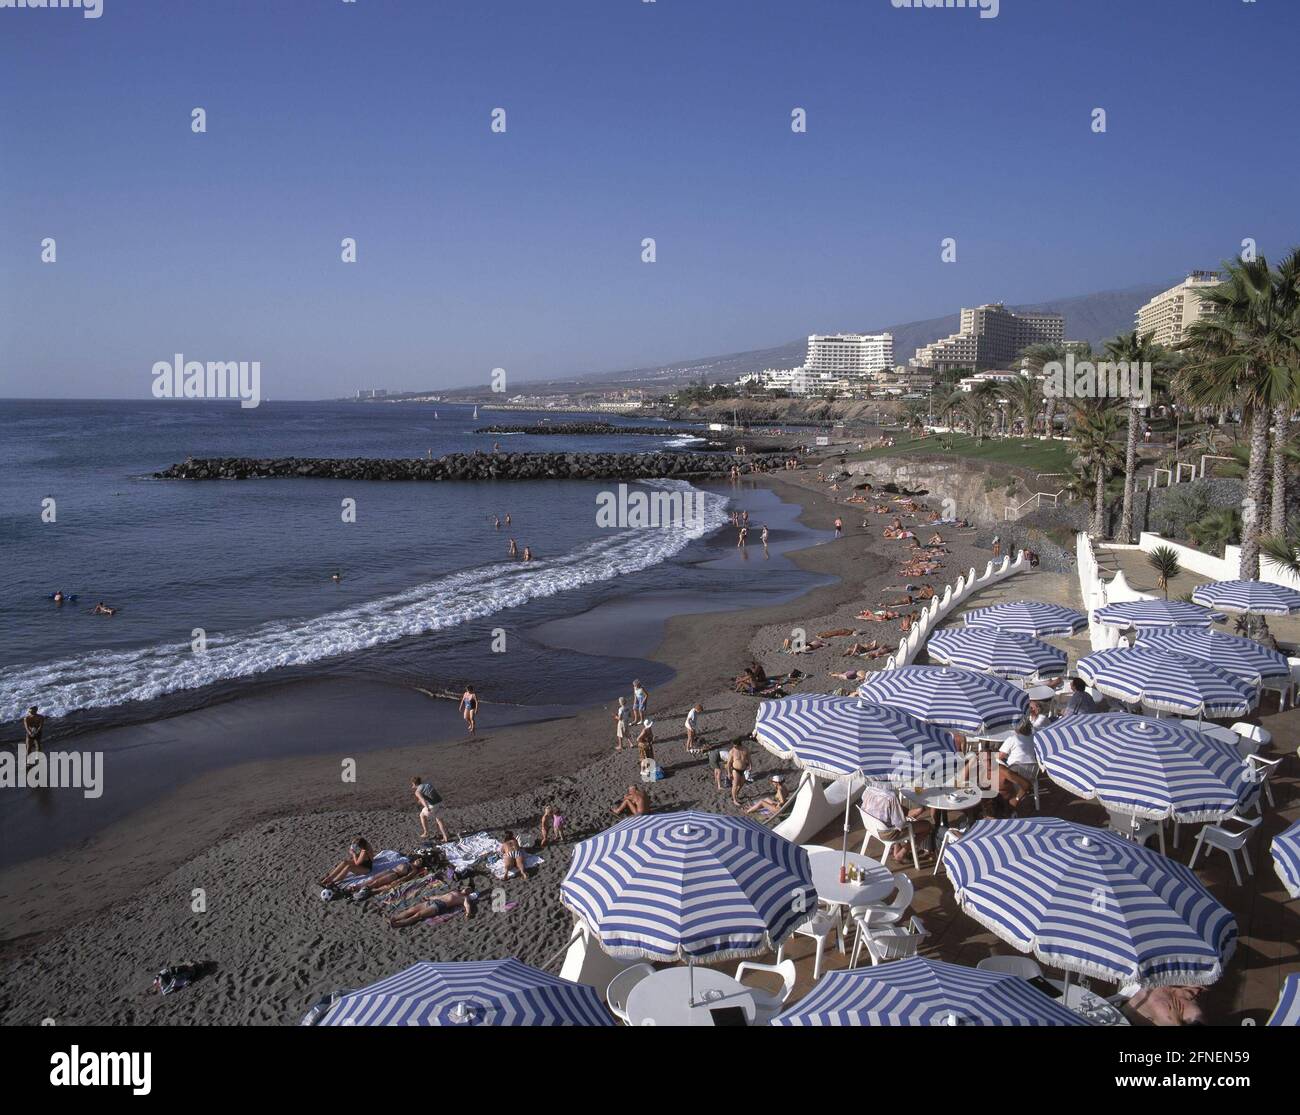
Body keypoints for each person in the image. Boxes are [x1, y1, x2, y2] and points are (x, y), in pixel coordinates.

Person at [860, 783, 933, 865]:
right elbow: (900, 824)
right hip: (887, 833)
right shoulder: (891, 797)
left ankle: (896, 850)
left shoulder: (868, 790)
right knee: (927, 825)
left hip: (871, 826)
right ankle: (901, 854)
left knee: (893, 819)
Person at [389, 888, 476, 927]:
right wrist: (429, 898)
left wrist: (468, 913)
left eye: (470, 890)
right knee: (411, 910)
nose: (467, 889)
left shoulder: (464, 898)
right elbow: (440, 896)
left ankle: (400, 924)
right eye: (467, 887)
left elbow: (467, 905)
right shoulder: (455, 891)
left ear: (469, 893)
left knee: (418, 915)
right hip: (433, 901)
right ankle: (394, 918)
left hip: (440, 905)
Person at [1127, 985, 1205, 1026]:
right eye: (1199, 986)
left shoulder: (1190, 1009)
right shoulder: (1147, 982)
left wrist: (1178, 1022)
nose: (1199, 991)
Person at [411, 776, 450, 842]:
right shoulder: (428, 784)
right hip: (441, 803)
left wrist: (426, 807)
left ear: (414, 784)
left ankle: (426, 833)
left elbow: (422, 799)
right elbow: (429, 794)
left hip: (433, 806)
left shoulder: (417, 792)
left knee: (422, 815)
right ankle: (445, 836)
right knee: (439, 820)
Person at [727, 738, 751, 806]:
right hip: (735, 770)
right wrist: (729, 773)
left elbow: (749, 758)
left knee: (742, 783)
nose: (734, 747)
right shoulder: (732, 751)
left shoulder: (745, 749)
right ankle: (734, 800)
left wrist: (750, 765)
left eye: (735, 745)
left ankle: (736, 793)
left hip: (743, 770)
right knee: (735, 784)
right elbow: (729, 763)